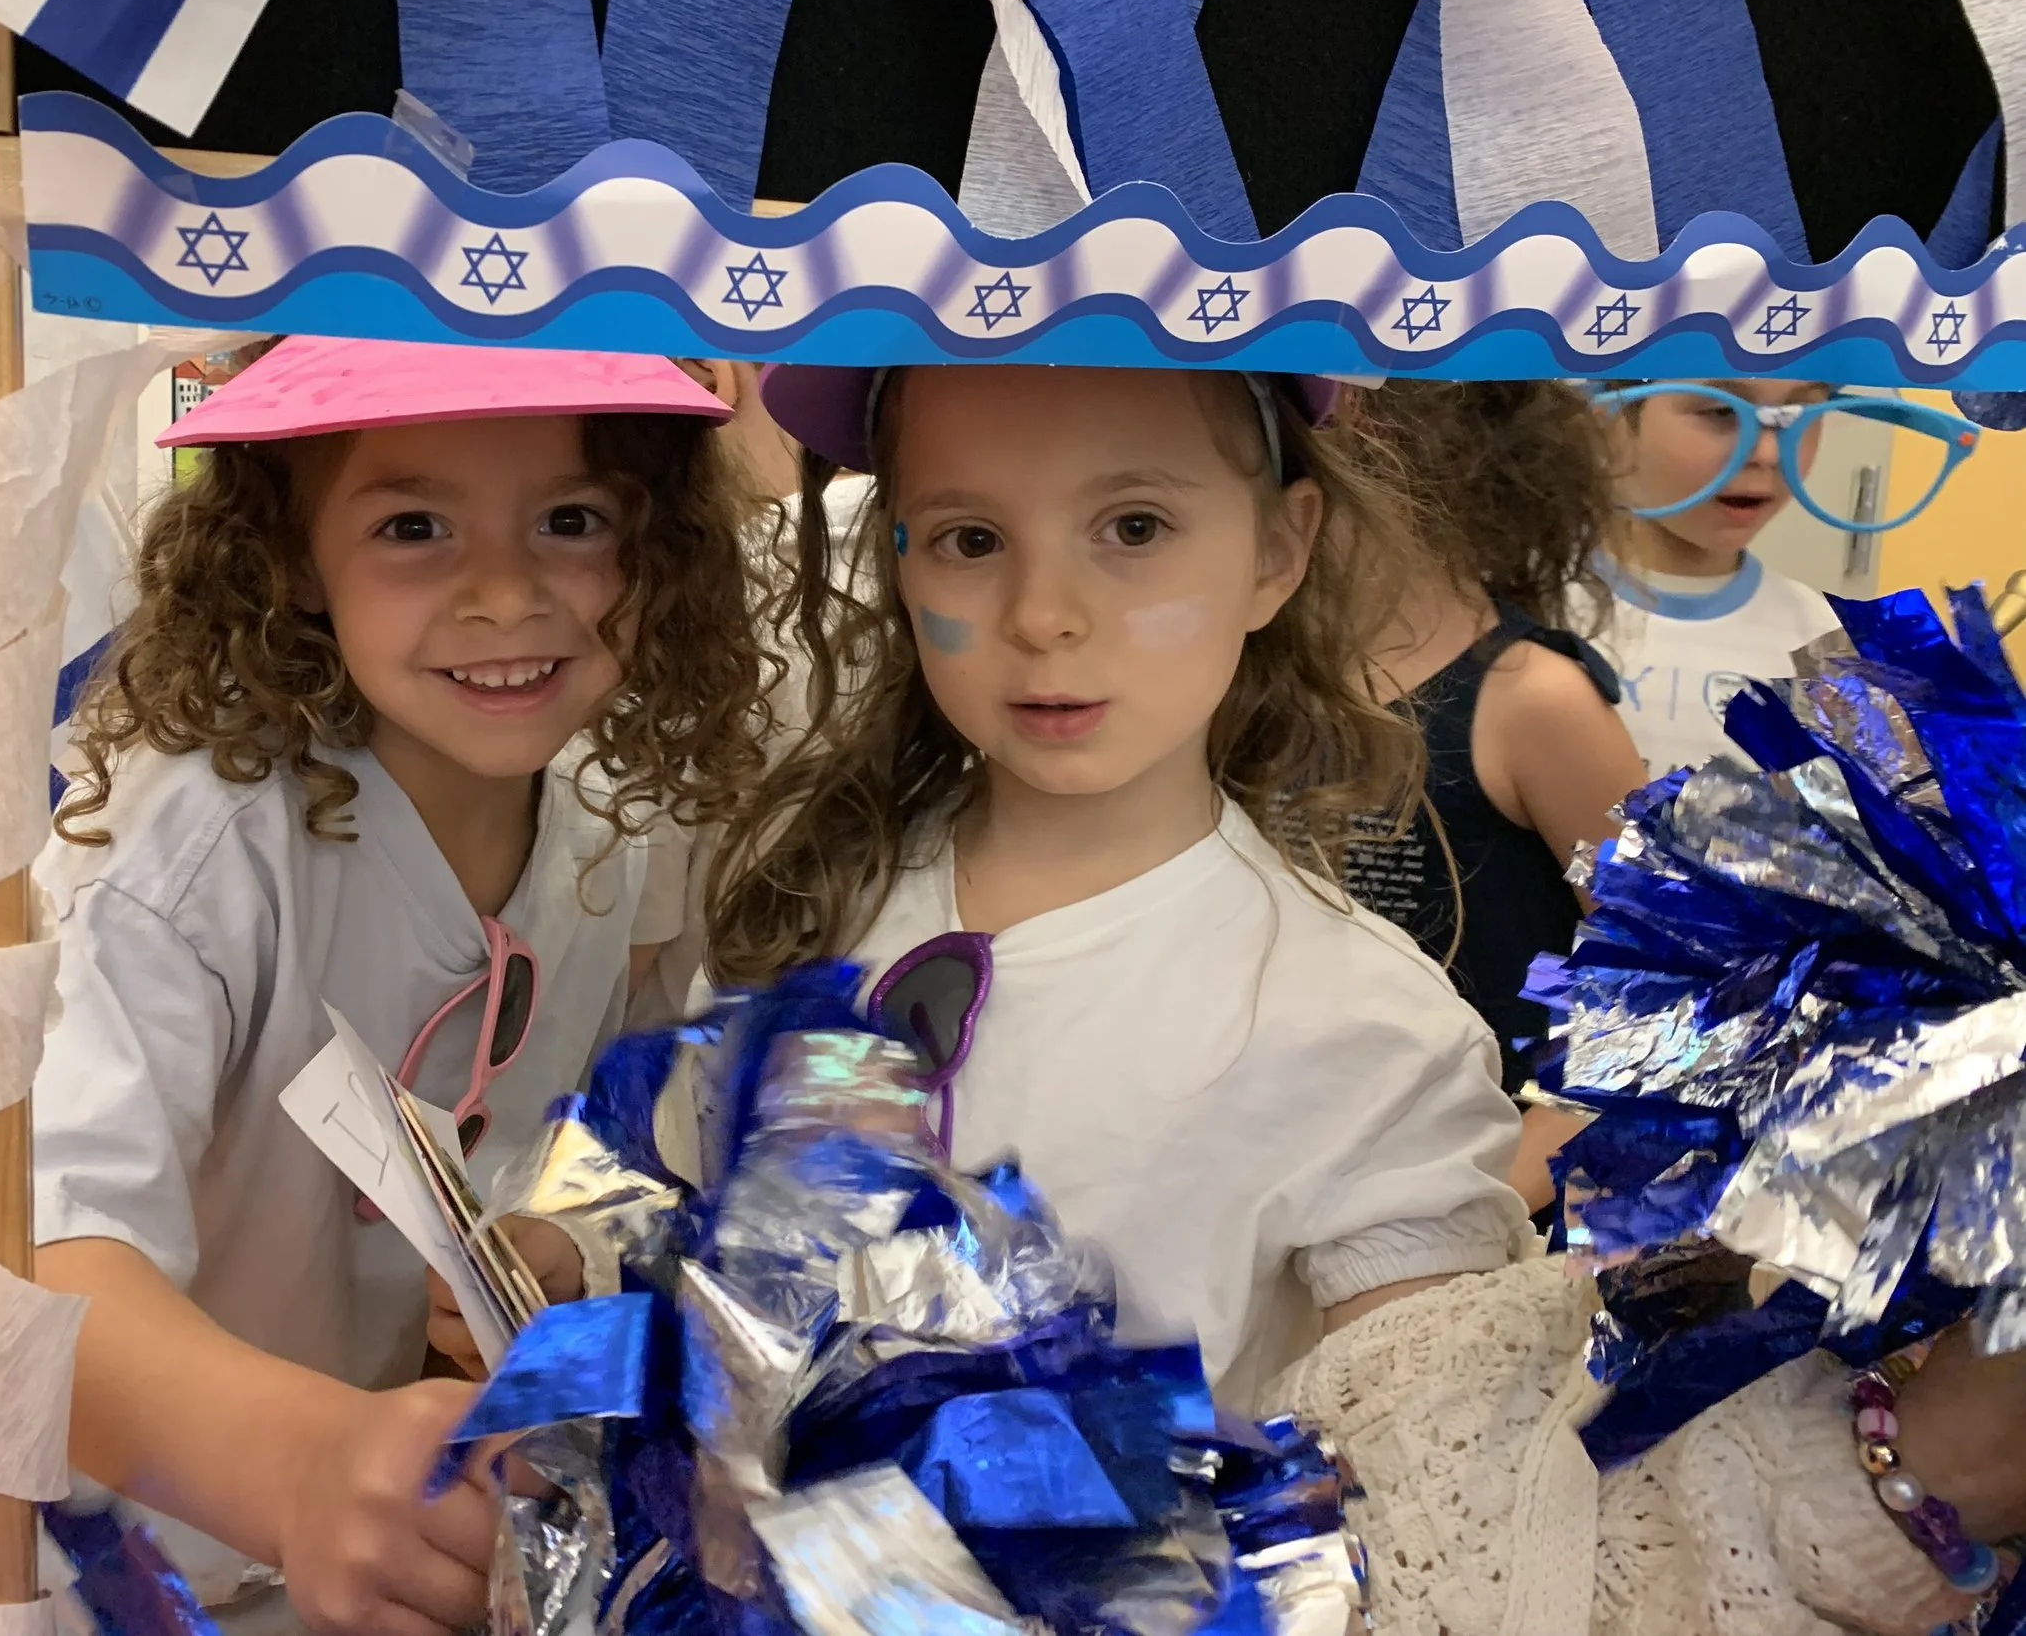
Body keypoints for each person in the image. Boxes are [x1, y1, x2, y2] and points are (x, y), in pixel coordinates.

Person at [0, 336, 773, 1635]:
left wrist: (560, 1237)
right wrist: (299, 1463)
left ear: (655, 548)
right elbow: (25, 1262)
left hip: (345, 1547)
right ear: (291, 553)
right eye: (414, 526)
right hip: (60, 1547)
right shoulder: (188, 843)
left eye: (572, 520)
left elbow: (616, 1116)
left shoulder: (612, 820)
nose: (505, 594)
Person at [699, 362, 1532, 1402]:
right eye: (971, 539)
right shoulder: (809, 887)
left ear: (1278, 550)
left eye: (1135, 528)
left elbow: (1426, 1458)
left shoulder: (1367, 1033)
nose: (1042, 615)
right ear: (899, 558)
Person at [1345, 381, 1644, 1214]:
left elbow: (1680, 983)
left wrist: (1498, 1185)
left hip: (1479, 1215)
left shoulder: (1533, 699)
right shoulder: (1249, 685)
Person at [1590, 377, 1842, 777]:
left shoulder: (1824, 644)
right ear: (1609, 420)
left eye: (1798, 416)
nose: (1767, 453)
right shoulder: (1520, 614)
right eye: (1722, 412)